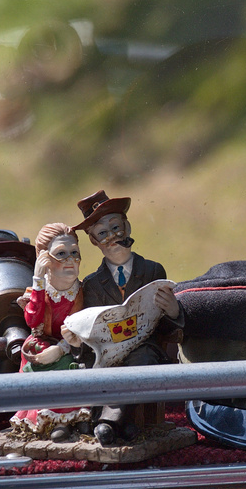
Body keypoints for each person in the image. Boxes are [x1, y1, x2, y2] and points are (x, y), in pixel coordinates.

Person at [72, 190, 183, 443]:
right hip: (105, 351)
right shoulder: (91, 284)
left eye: (116, 228)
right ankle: (127, 423)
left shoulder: (153, 270)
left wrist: (174, 311)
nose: (112, 237)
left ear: (128, 227)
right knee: (95, 367)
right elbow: (87, 326)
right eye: (103, 233)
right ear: (93, 241)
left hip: (143, 347)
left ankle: (108, 422)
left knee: (141, 359)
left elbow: (164, 323)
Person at [8, 223, 92, 442]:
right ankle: (52, 421)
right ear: (45, 260)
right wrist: (37, 282)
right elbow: (32, 320)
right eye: (61, 254)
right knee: (47, 374)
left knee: (79, 368)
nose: (71, 260)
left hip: (72, 346)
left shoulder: (83, 292)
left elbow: (83, 326)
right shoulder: (40, 292)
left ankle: (78, 419)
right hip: (42, 345)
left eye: (75, 253)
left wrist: (62, 348)